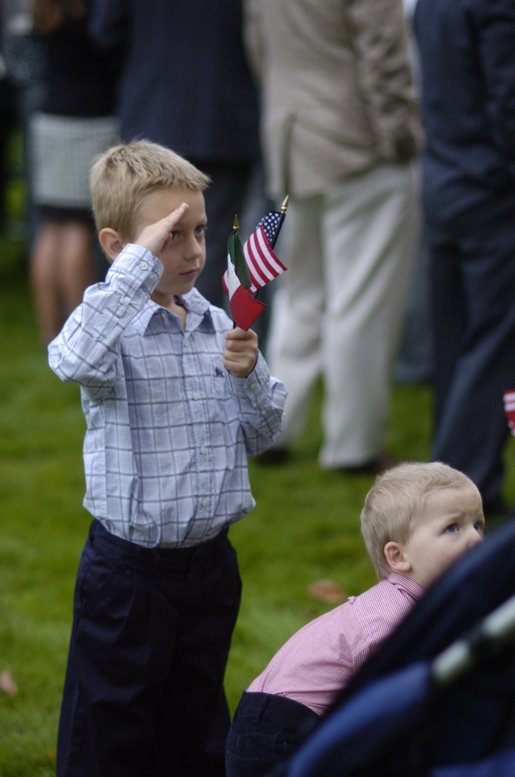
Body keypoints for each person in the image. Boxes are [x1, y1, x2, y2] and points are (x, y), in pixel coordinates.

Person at [48, 140, 287, 777]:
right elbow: (69, 358)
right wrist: (133, 268)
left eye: (201, 231)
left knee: (196, 719)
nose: (193, 251)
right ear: (117, 245)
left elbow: (262, 434)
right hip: (128, 579)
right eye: (170, 236)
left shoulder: (216, 325)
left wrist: (250, 376)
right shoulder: (111, 335)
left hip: (209, 567)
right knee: (110, 726)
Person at [245, 0, 421, 473]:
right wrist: (402, 137)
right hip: (360, 145)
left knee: (299, 294)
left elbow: (258, 44)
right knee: (360, 302)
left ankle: (275, 429)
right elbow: (385, 55)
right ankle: (353, 445)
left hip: (290, 137)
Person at [225, 461, 485, 777]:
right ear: (398, 556)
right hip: (280, 732)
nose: (475, 539)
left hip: (282, 722)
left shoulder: (417, 607)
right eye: (453, 528)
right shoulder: (395, 618)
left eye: (478, 525)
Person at [88, 0, 266, 316]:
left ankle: (187, 346)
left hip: (154, 109)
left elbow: (105, 30)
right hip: (220, 113)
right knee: (208, 248)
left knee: (150, 241)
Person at [413, 0, 515, 516]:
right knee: (496, 342)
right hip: (492, 191)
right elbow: (508, 101)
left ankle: (450, 482)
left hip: (446, 182)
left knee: (459, 345)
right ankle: (461, 490)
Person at [29, 0, 121, 344]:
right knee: (78, 229)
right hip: (90, 121)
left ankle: (50, 332)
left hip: (50, 120)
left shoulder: (45, 7)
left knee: (51, 227)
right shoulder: (91, 9)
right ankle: (83, 335)